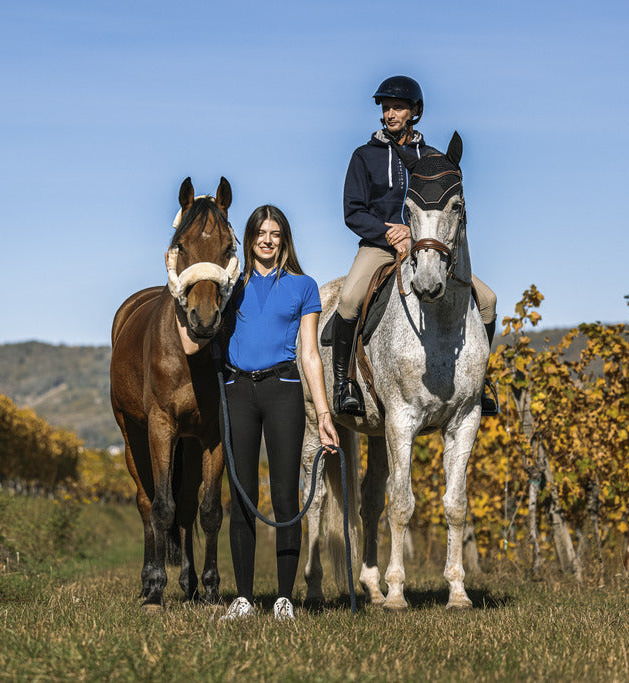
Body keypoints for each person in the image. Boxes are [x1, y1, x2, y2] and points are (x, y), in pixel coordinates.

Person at [178, 205, 338, 622]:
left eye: (275, 233)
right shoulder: (231, 286)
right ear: (248, 239)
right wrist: (177, 286)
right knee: (243, 495)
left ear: (284, 240)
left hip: (283, 391)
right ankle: (244, 598)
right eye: (261, 233)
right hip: (238, 392)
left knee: (285, 495)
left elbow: (310, 355)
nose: (267, 239)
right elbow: (193, 344)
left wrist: (323, 413)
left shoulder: (305, 287)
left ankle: (284, 597)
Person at [332, 75, 499, 416]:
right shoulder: (364, 156)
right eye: (386, 107)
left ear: (415, 112)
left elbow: (451, 208)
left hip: (429, 248)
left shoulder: (435, 158)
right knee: (348, 301)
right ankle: (343, 383)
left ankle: (479, 384)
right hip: (380, 247)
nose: (390, 113)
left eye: (398, 107)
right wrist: (388, 233)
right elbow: (352, 211)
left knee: (488, 302)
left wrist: (423, 237)